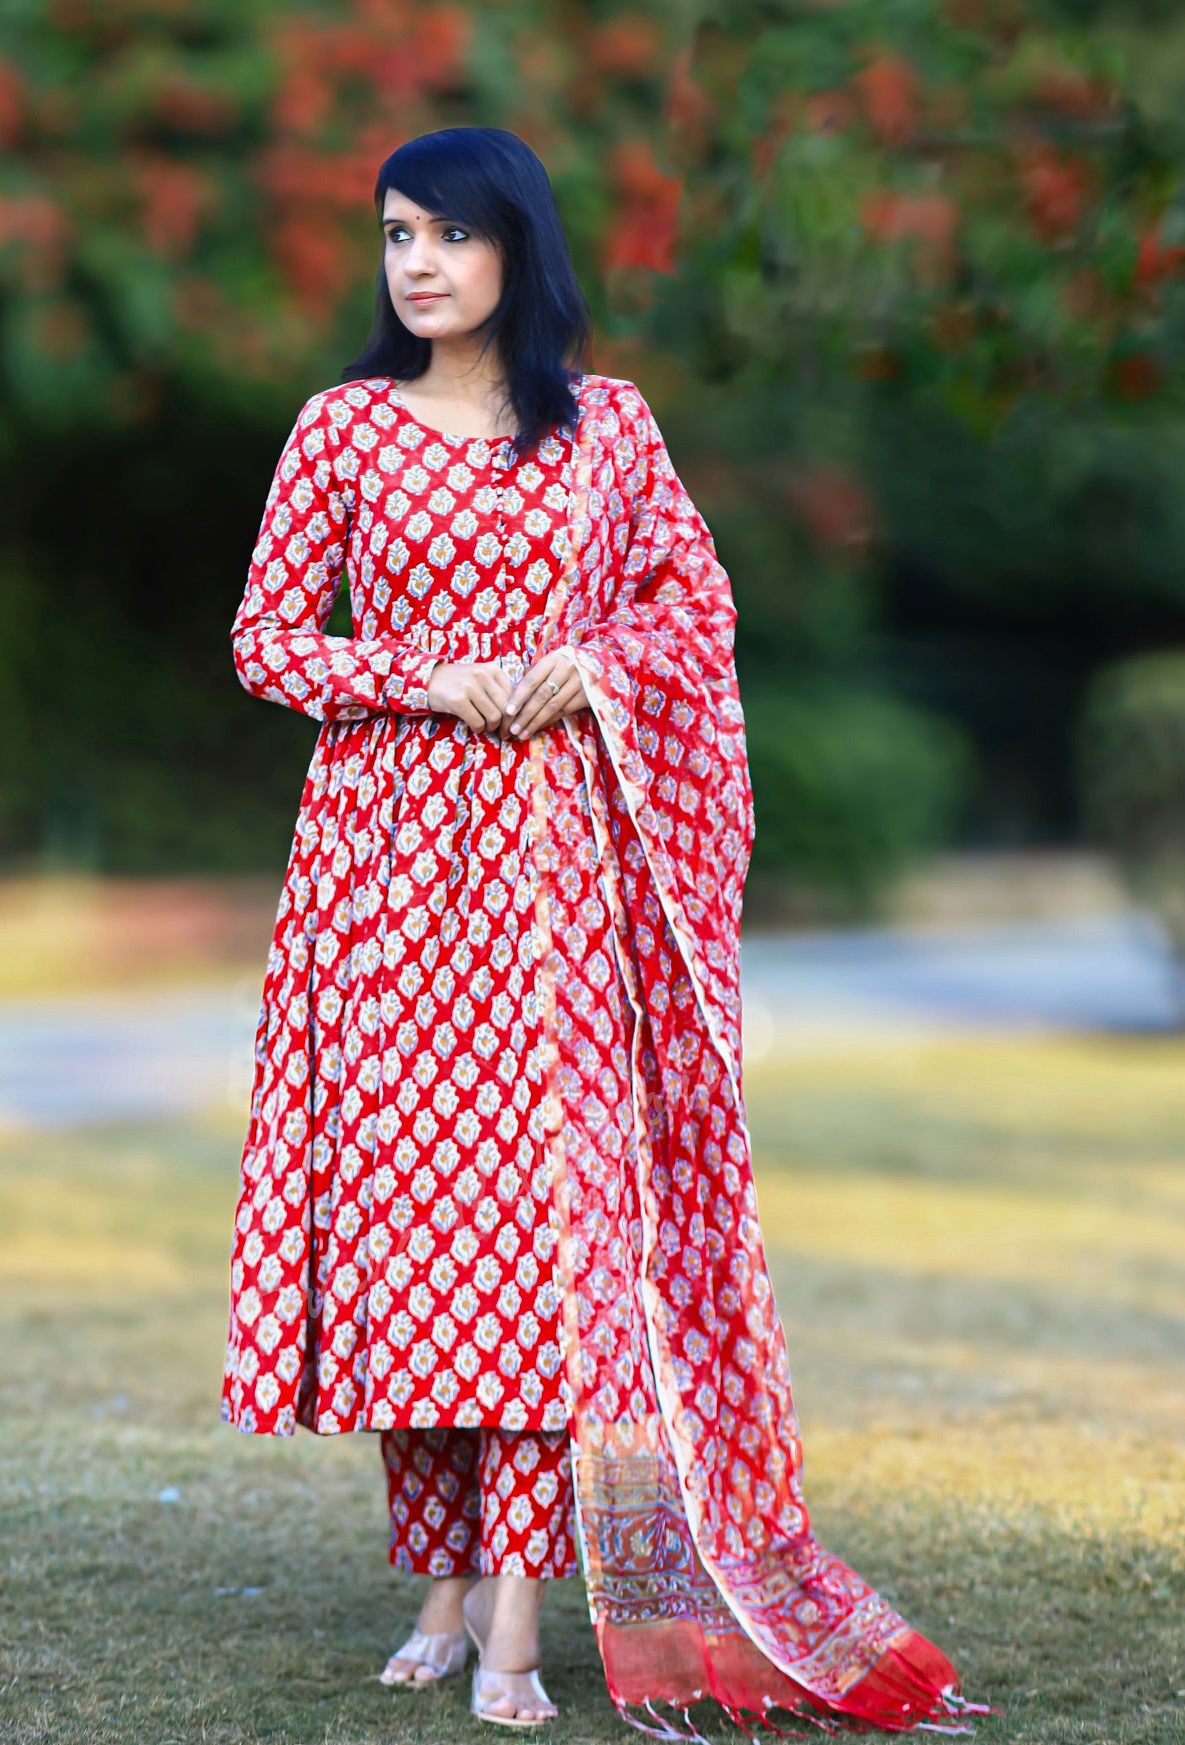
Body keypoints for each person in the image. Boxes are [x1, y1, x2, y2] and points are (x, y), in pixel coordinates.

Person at [221, 126, 982, 1736]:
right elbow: (269, 640)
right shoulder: (342, 428)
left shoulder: (608, 431)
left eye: (447, 233)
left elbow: (694, 608)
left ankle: (513, 1612)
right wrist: (431, 678)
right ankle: (442, 1584)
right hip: (381, 874)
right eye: (395, 234)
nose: (416, 263)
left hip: (558, 882)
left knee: (542, 1247)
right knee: (416, 1241)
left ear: (519, 247)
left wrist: (587, 666)